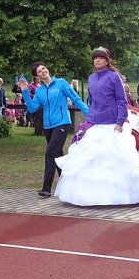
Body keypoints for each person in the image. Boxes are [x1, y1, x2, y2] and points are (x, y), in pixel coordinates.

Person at [53, 47, 139, 206]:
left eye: (101, 58)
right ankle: (87, 195)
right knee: (91, 158)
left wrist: (120, 121)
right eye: (95, 58)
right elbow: (92, 101)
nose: (97, 60)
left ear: (107, 60)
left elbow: (122, 101)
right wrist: (89, 119)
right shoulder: (92, 78)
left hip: (112, 123)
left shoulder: (114, 77)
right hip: (95, 122)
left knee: (114, 158)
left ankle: (122, 195)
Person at [19, 62, 89, 197]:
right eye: (39, 71)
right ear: (37, 76)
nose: (43, 71)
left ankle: (46, 188)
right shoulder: (39, 91)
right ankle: (69, 184)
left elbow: (75, 98)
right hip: (48, 126)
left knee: (50, 153)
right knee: (58, 156)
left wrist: (89, 113)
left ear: (47, 69)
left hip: (62, 123)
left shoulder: (61, 83)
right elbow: (32, 108)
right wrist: (25, 91)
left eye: (43, 68)